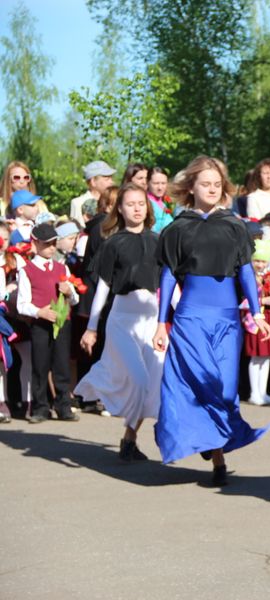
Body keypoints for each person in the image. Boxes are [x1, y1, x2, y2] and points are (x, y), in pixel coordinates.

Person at [152, 156, 270, 486]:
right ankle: (217, 456)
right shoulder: (177, 228)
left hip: (227, 319)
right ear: (191, 187)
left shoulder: (234, 225)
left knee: (224, 388)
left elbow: (246, 271)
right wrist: (162, 323)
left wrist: (258, 311)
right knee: (198, 382)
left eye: (217, 184)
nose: (211, 188)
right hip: (190, 317)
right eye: (205, 183)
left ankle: (215, 442)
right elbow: (166, 278)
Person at [74, 183, 163, 460]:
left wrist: (176, 315)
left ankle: (129, 438)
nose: (136, 208)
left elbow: (168, 287)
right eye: (130, 204)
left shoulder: (158, 240)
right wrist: (91, 328)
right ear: (120, 209)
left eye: (141, 203)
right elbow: (103, 287)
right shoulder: (113, 242)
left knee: (154, 383)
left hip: (151, 319)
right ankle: (97, 387)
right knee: (137, 379)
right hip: (123, 320)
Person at [17, 223, 81, 423]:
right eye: (47, 244)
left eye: (54, 243)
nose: (52, 248)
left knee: (61, 365)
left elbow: (75, 299)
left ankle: (63, 406)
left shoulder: (63, 267)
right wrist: (40, 312)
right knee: (40, 366)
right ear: (35, 244)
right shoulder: (27, 270)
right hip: (41, 325)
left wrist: (70, 292)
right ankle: (40, 408)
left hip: (62, 323)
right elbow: (22, 304)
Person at [243, 240, 270, 406]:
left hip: (269, 317)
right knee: (256, 357)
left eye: (263, 261)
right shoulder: (247, 277)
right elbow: (242, 301)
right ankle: (254, 392)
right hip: (254, 320)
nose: (260, 264)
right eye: (257, 260)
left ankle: (263, 391)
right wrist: (264, 299)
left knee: (266, 357)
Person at [70, 161, 116, 228]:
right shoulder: (78, 203)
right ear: (93, 181)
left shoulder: (113, 200)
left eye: (111, 178)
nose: (111, 182)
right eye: (107, 179)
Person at [147, 167, 174, 232]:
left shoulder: (163, 203)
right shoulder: (146, 203)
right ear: (148, 183)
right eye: (156, 183)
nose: (160, 187)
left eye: (163, 183)